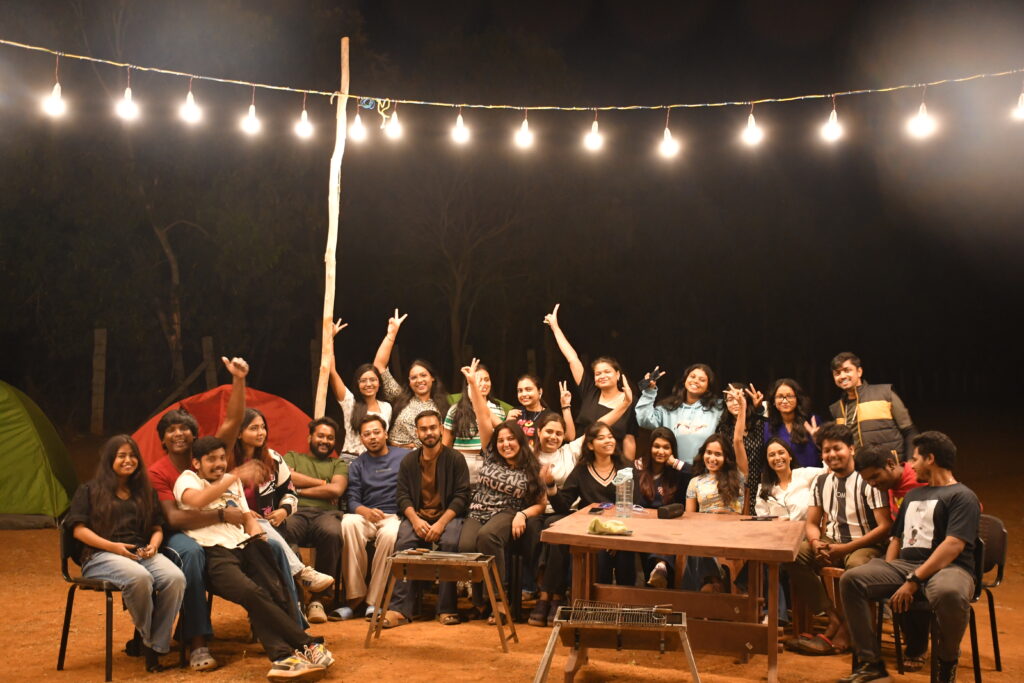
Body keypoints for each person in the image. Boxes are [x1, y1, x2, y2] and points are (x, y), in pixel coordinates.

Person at [174, 436, 333, 681]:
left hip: (245, 545)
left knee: (274, 588)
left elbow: (247, 516)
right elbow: (197, 500)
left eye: (221, 458)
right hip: (214, 551)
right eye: (211, 459)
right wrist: (235, 475)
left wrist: (259, 537)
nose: (219, 464)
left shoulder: (231, 480)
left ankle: (283, 659)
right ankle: (307, 644)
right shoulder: (188, 479)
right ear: (196, 463)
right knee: (251, 593)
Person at [839, 432, 981, 683]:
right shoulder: (914, 496)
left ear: (930, 459)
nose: (911, 465)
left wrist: (914, 580)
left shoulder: (962, 496)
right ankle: (871, 663)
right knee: (852, 579)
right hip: (906, 566)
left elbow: (953, 545)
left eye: (915, 459)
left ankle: (946, 662)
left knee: (949, 592)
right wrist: (888, 571)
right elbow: (897, 538)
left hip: (951, 568)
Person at [145, 355, 249, 671]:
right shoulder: (158, 472)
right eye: (171, 430)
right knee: (191, 553)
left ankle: (290, 623)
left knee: (268, 541)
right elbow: (174, 519)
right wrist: (222, 516)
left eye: (184, 429)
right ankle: (198, 642)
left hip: (213, 529)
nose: (178, 434)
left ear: (194, 436)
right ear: (162, 439)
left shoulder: (206, 456)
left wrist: (239, 380)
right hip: (173, 535)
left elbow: (233, 422)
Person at [65, 435, 185, 672]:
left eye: (132, 456)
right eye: (121, 456)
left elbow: (157, 527)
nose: (128, 460)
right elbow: (78, 530)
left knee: (175, 578)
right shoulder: (89, 490)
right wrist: (112, 547)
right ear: (110, 459)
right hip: (100, 555)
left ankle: (156, 642)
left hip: (139, 553)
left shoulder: (145, 492)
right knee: (140, 578)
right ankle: (150, 644)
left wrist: (154, 545)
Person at [786, 422, 891, 656]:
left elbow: (885, 527)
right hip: (831, 541)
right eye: (826, 450)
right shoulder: (821, 482)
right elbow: (812, 523)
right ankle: (834, 617)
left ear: (851, 449)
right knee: (793, 555)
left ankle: (847, 631)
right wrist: (816, 542)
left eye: (837, 448)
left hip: (864, 544)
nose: (831, 454)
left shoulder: (867, 479)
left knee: (856, 569)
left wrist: (845, 548)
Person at [458, 359, 547, 624]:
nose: (505, 444)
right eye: (501, 440)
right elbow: (481, 413)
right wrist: (473, 386)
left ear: (520, 441)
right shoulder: (491, 453)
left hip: (508, 511)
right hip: (478, 510)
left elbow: (541, 503)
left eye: (511, 439)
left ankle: (498, 600)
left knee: (487, 538)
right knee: (466, 546)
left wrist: (522, 515)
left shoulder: (532, 465)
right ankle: (480, 602)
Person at [233, 408, 333, 625]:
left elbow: (290, 492)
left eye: (263, 427)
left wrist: (283, 511)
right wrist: (243, 514)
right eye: (253, 428)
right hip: (235, 528)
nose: (261, 432)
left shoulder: (273, 459)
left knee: (279, 540)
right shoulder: (228, 462)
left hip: (271, 526)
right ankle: (302, 577)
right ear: (238, 433)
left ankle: (294, 613)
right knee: (270, 544)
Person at [532, 421, 635, 627]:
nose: (609, 441)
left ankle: (624, 613)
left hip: (619, 529)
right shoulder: (581, 471)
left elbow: (634, 504)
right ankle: (557, 600)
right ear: (590, 445)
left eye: (610, 437)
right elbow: (563, 505)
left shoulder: (625, 469)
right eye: (601, 437)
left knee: (622, 555)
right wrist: (550, 485)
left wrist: (615, 534)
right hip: (589, 530)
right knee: (559, 532)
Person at [381, 410, 470, 628]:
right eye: (423, 429)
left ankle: (447, 608)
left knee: (449, 543)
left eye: (432, 428)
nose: (429, 432)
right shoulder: (409, 461)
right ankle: (400, 609)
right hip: (418, 516)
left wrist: (441, 523)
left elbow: (461, 497)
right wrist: (415, 520)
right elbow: (402, 496)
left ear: (441, 429)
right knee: (404, 544)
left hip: (448, 516)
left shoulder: (455, 459)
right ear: (417, 432)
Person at [544, 303, 637, 459]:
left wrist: (629, 469)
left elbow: (629, 439)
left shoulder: (630, 400)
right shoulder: (590, 391)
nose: (602, 376)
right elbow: (572, 359)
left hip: (612, 461)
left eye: (607, 372)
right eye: (598, 373)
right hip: (580, 457)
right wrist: (555, 327)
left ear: (617, 375)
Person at [339, 415, 410, 620]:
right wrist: (365, 512)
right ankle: (355, 597)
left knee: (390, 535)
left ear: (386, 434)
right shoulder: (358, 464)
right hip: (367, 515)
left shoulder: (404, 457)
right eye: (367, 434)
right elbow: (352, 499)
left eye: (376, 432)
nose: (372, 437)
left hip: (395, 516)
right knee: (348, 522)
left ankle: (374, 601)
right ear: (361, 439)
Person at [279, 418, 348, 623]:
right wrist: (322, 484)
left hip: (326, 514)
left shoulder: (338, 464)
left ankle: (319, 600)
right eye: (321, 436)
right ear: (310, 437)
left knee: (332, 532)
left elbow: (336, 489)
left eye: (330, 438)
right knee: (283, 532)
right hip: (295, 512)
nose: (325, 441)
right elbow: (287, 478)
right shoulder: (292, 456)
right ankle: (296, 596)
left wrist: (299, 489)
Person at [683, 392, 750, 592]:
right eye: (709, 453)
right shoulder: (695, 482)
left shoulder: (738, 476)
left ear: (726, 457)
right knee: (694, 541)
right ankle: (715, 580)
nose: (712, 458)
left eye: (718, 454)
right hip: (704, 532)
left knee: (699, 545)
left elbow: (737, 440)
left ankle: (711, 582)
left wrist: (742, 408)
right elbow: (689, 518)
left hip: (732, 532)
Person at [373, 309, 449, 448]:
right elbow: (379, 366)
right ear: (409, 381)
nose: (419, 380)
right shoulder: (400, 397)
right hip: (393, 456)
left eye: (423, 375)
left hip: (425, 458)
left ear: (432, 378)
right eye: (414, 377)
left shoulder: (443, 407)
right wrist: (391, 335)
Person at [829, 352, 918, 460]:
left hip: (891, 465)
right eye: (837, 373)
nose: (842, 376)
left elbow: (909, 431)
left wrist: (910, 462)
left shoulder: (885, 394)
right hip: (858, 468)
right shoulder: (836, 408)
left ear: (859, 372)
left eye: (847, 370)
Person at [635, 426, 691, 589]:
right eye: (656, 446)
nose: (661, 451)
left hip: (671, 528)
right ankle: (660, 567)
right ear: (650, 447)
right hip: (643, 527)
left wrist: (674, 463)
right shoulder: (638, 468)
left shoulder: (678, 473)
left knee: (667, 536)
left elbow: (698, 475)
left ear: (672, 451)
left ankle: (660, 568)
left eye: (666, 447)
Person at [328, 318, 392, 460]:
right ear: (357, 384)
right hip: (351, 458)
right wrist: (330, 339)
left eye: (373, 380)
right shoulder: (349, 401)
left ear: (379, 383)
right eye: (363, 381)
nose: (368, 384)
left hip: (377, 460)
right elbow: (331, 371)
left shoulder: (386, 407)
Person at [636, 363, 724, 465]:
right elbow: (643, 420)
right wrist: (649, 391)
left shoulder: (718, 408)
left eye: (702, 380)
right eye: (692, 376)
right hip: (672, 469)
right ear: (685, 380)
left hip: (705, 470)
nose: (696, 381)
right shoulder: (668, 407)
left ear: (708, 386)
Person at [442, 361, 505, 486]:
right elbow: (446, 445)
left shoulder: (498, 409)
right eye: (478, 380)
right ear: (469, 384)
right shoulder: (456, 410)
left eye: (486, 380)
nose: (483, 384)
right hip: (462, 461)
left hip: (489, 462)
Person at [718, 382, 767, 512]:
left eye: (739, 397)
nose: (735, 402)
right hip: (734, 485)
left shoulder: (760, 424)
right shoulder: (723, 429)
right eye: (730, 399)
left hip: (761, 483)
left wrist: (759, 408)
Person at [753, 438, 825, 521]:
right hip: (776, 529)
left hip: (806, 528)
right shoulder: (763, 489)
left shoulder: (804, 475)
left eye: (781, 453)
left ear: (790, 456)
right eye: (772, 455)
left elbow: (828, 470)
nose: (777, 458)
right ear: (767, 461)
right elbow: (762, 521)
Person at [764, 378, 822, 467]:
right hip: (783, 475)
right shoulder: (768, 426)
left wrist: (819, 441)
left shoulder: (812, 421)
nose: (784, 401)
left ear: (797, 399)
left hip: (812, 473)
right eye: (780, 396)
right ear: (773, 401)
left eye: (789, 396)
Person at [507, 374, 571, 440]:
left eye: (528, 390)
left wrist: (565, 406)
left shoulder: (549, 416)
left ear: (540, 391)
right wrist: (507, 422)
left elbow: (569, 437)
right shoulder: (515, 412)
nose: (523, 394)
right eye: (520, 390)